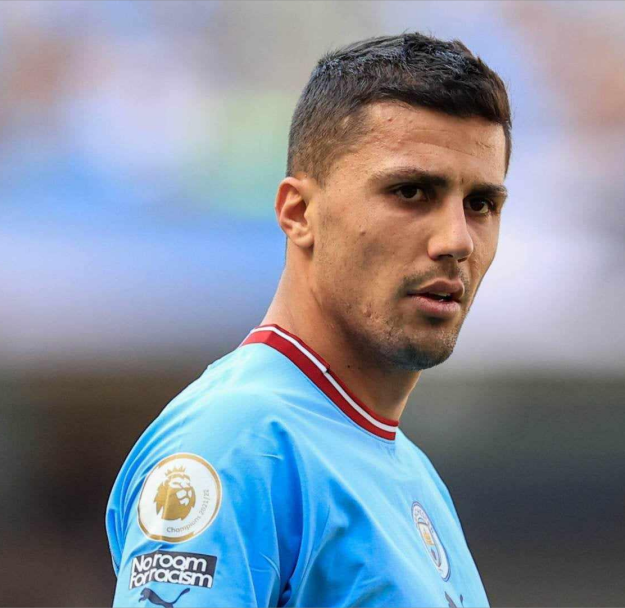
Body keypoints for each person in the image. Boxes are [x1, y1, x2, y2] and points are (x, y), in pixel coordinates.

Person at [106, 32, 512, 608]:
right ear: (298, 213)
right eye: (411, 191)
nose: (456, 241)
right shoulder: (236, 440)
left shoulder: (409, 473)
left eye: (481, 205)